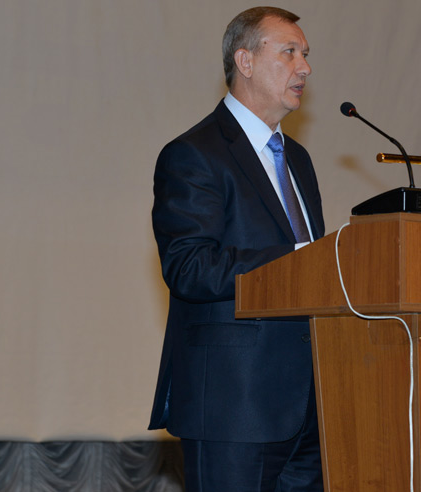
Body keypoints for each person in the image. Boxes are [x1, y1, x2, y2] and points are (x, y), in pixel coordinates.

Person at [147, 7, 325, 491]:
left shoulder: (298, 160)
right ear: (245, 61)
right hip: (234, 406)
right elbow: (188, 267)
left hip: (312, 407)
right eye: (289, 53)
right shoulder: (194, 154)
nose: (305, 67)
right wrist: (298, 258)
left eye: (305, 54)